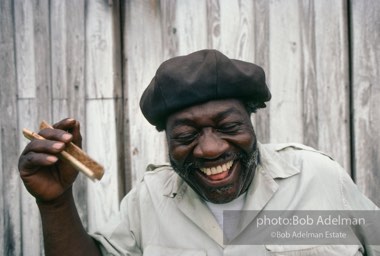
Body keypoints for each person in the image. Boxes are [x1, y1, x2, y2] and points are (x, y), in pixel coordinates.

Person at [18, 49, 379, 256]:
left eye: (228, 126)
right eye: (187, 134)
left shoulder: (315, 178)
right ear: (166, 139)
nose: (209, 148)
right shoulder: (150, 200)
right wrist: (55, 203)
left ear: (252, 122)